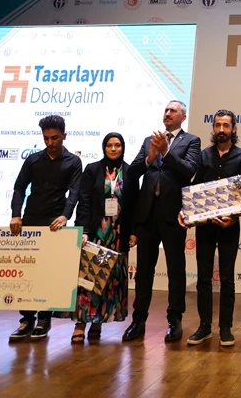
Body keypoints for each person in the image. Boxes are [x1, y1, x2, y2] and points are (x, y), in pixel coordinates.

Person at [122, 100, 201, 343]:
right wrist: (149, 159)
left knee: (175, 269)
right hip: (146, 214)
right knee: (144, 271)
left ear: (183, 117)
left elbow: (189, 171)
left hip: (173, 214)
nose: (167, 113)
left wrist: (166, 153)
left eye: (173, 111)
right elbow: (132, 172)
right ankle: (138, 320)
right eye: (166, 110)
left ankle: (174, 319)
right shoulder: (150, 140)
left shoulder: (191, 141)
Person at [54, 132, 138, 343]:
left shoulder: (129, 172)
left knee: (109, 282)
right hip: (96, 233)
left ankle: (98, 322)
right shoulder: (92, 169)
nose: (113, 149)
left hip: (118, 235)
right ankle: (80, 323)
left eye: (117, 145)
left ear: (123, 147)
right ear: (104, 147)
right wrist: (83, 230)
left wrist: (133, 231)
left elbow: (134, 205)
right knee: (89, 280)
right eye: (109, 145)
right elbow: (84, 201)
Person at [178, 110, 241, 347]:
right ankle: (205, 326)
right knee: (203, 277)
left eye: (226, 125)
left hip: (230, 225)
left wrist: (233, 217)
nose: (221, 129)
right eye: (218, 125)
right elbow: (195, 187)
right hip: (205, 225)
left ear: (234, 129)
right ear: (213, 128)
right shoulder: (203, 156)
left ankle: (226, 328)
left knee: (227, 278)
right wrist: (185, 210)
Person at [9, 115, 83, 342]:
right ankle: (26, 319)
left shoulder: (73, 162)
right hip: (30, 220)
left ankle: (44, 318)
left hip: (54, 223)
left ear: (64, 136)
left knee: (48, 272)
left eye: (55, 138)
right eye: (46, 138)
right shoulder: (33, 160)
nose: (50, 142)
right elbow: (19, 187)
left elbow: (75, 191)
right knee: (27, 270)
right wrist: (16, 214)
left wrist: (65, 215)